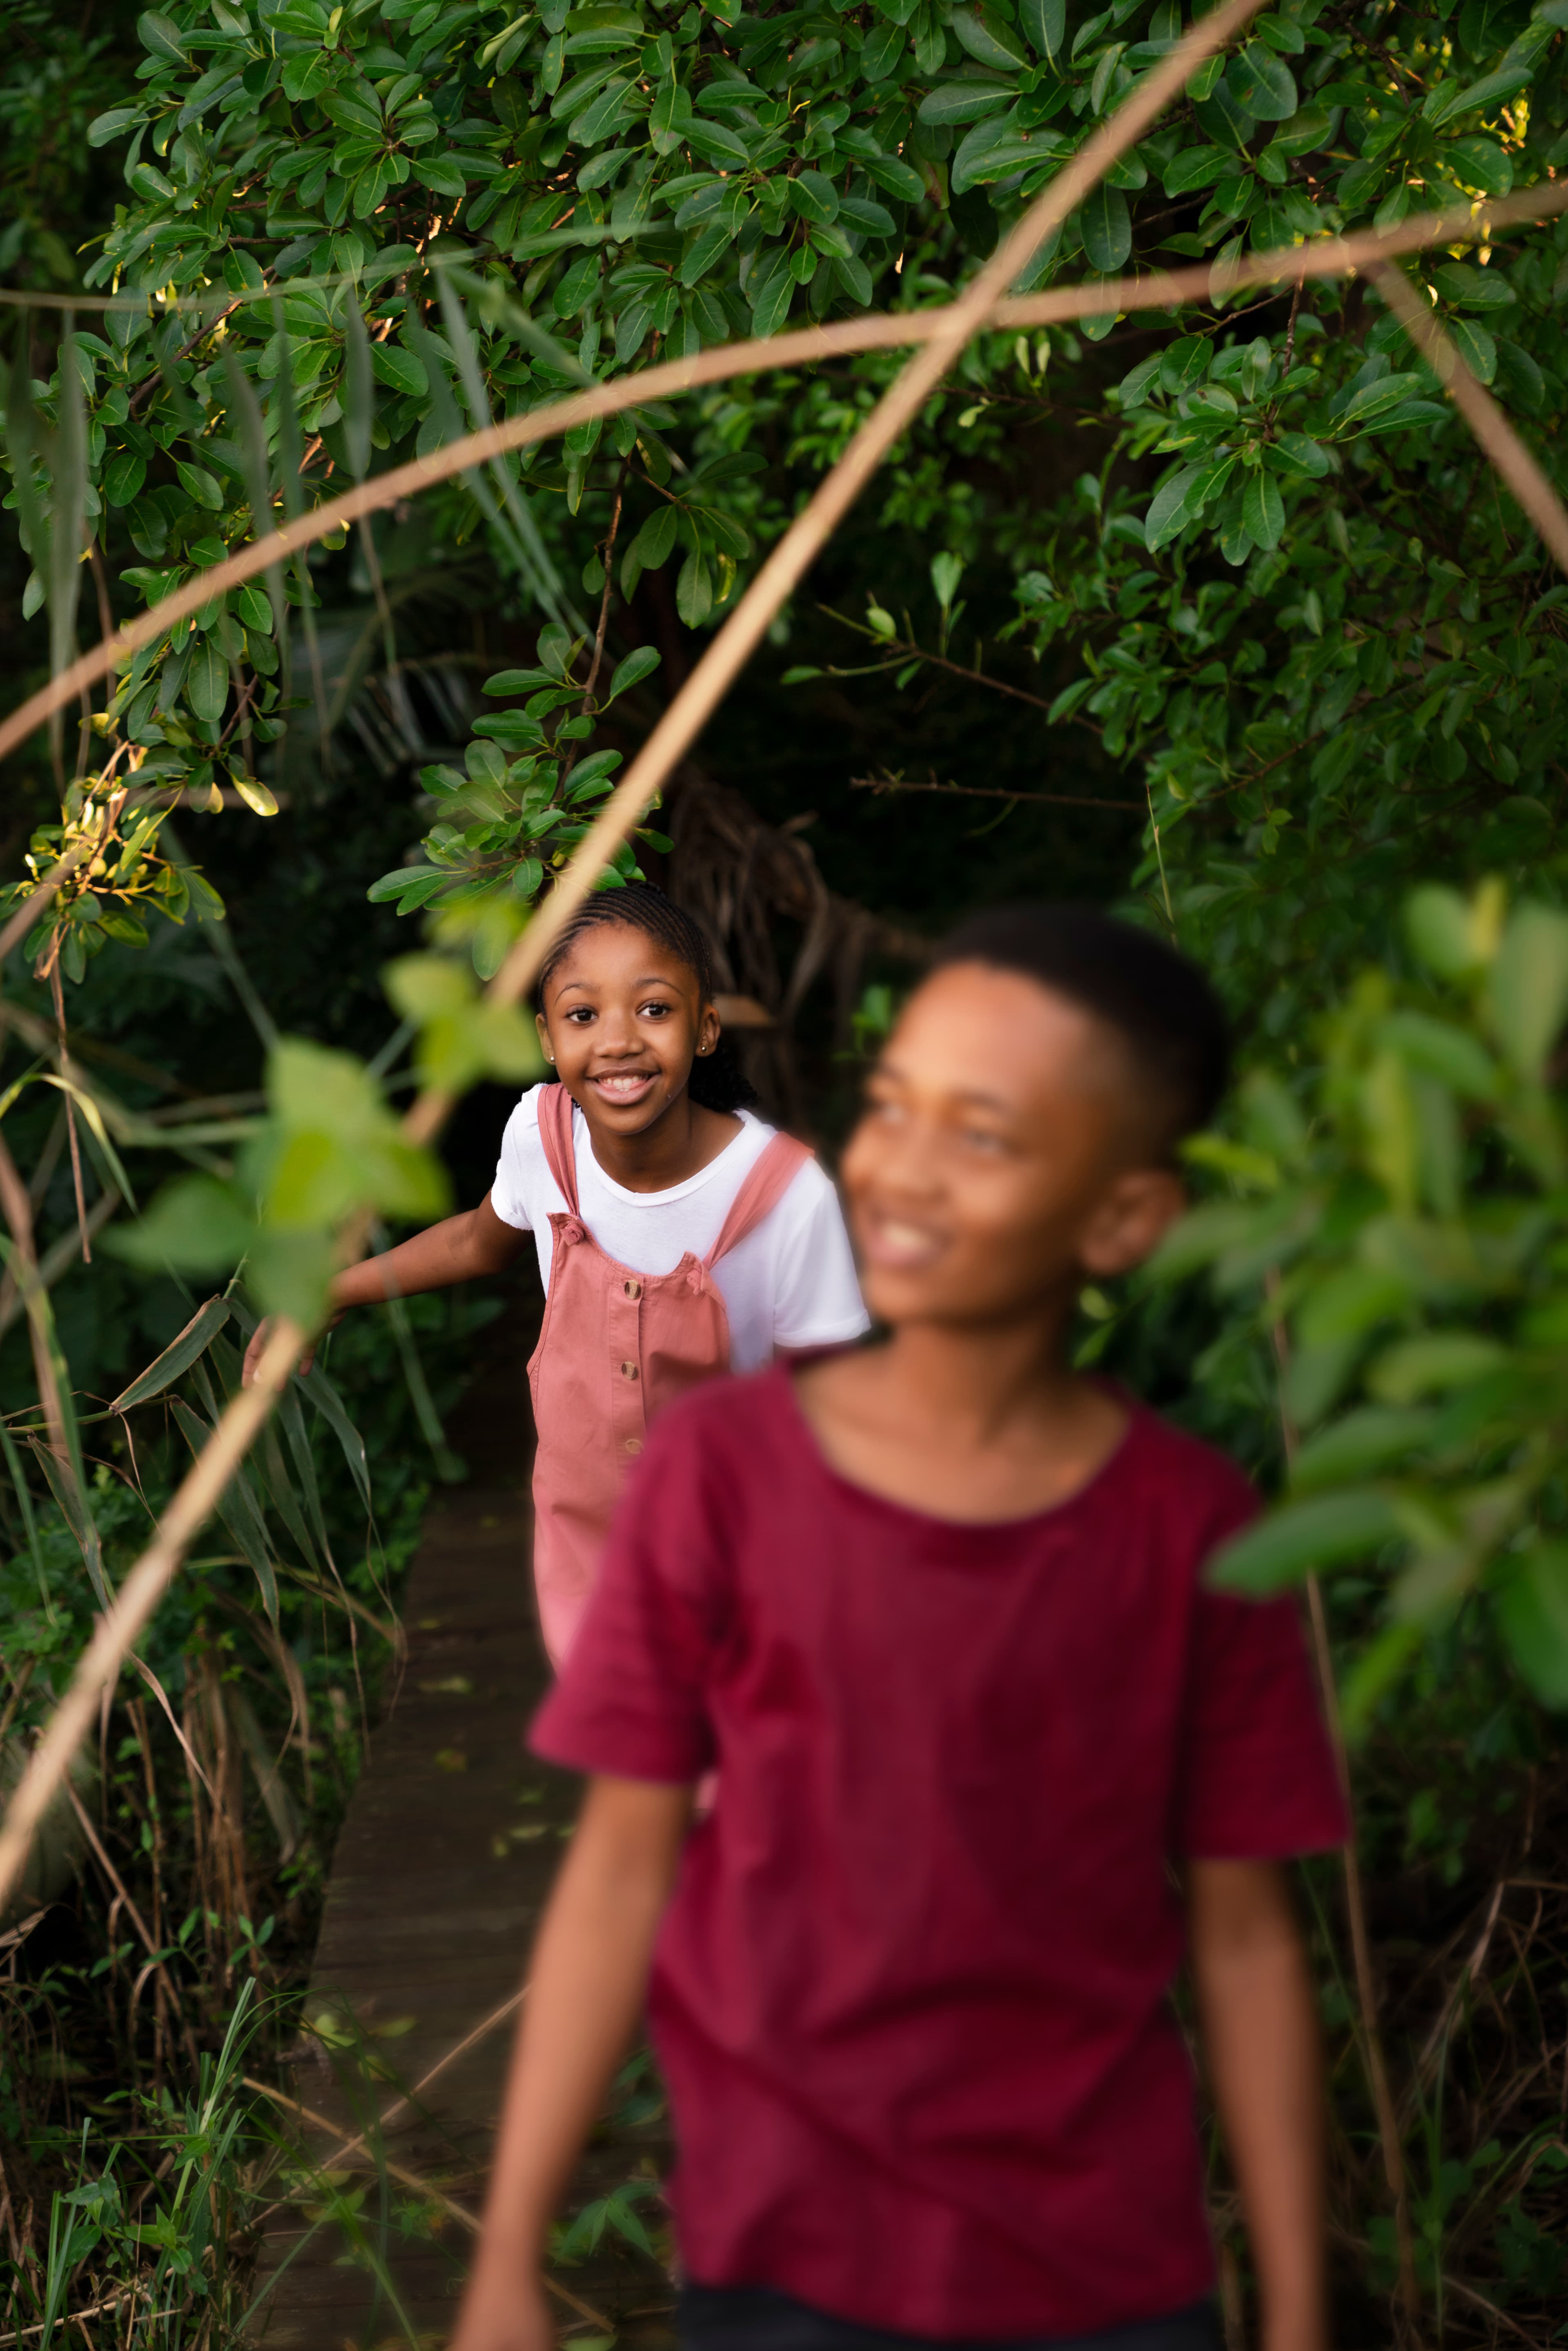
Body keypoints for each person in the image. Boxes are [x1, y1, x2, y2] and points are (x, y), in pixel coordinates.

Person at [451, 903, 1347, 2351]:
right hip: (785, 2251)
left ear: (1124, 1215)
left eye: (984, 1134)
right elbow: (621, 1867)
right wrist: (506, 2252)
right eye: (897, 1108)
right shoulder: (718, 1477)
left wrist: (1297, 2311)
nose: (907, 1169)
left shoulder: (1191, 1528)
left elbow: (1245, 1937)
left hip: (1105, 2267)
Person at [245, 883, 868, 1662]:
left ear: (706, 1027)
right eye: (583, 1014)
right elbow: (478, 1242)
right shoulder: (543, 1141)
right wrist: (332, 1290)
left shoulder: (783, 1193)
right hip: (590, 1558)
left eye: (654, 1009)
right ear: (545, 1037)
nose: (617, 1042)